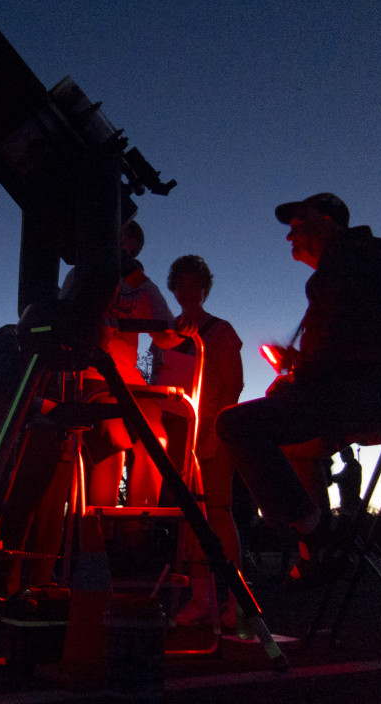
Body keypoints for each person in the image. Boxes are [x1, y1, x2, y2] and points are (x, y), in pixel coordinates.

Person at [216, 193, 381, 586]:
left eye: (298, 227)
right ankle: (314, 552)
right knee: (291, 438)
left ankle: (314, 534)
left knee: (235, 424)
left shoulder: (344, 265)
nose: (289, 237)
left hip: (370, 394)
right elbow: (347, 345)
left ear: (328, 224)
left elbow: (332, 355)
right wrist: (297, 369)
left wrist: (296, 371)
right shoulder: (355, 263)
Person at [155, 254, 244, 625]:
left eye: (195, 284)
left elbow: (233, 385)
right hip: (174, 430)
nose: (187, 291)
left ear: (205, 288)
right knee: (188, 516)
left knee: (219, 512)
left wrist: (213, 433)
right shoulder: (165, 333)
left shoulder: (221, 331)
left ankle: (236, 601)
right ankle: (202, 598)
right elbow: (155, 379)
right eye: (181, 284)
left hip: (209, 429)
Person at [66, 221, 175, 508]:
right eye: (118, 238)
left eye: (129, 241)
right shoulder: (81, 274)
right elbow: (64, 320)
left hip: (130, 379)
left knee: (157, 441)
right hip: (91, 374)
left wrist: (182, 327)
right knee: (113, 447)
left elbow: (164, 334)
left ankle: (138, 528)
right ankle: (98, 532)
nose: (123, 245)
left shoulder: (139, 282)